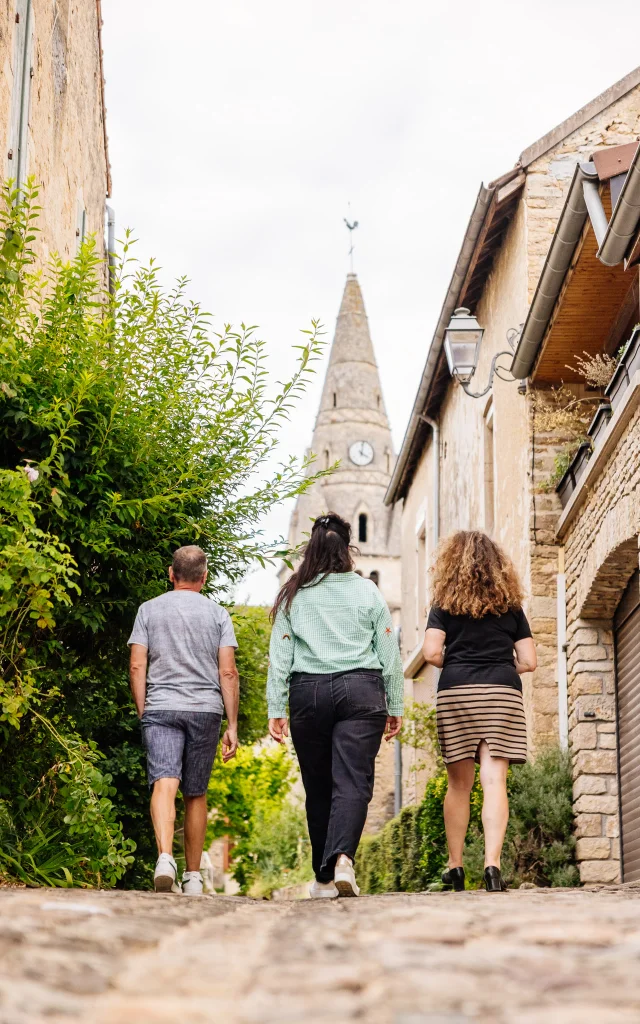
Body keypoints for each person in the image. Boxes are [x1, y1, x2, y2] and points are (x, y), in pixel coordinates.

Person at [267, 513, 404, 899]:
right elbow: (389, 653)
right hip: (361, 690)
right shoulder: (367, 592)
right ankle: (343, 859)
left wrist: (276, 708)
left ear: (310, 548)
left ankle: (323, 879)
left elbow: (280, 655)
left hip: (307, 694)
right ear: (348, 550)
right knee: (353, 780)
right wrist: (395, 704)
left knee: (318, 786)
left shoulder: (294, 593)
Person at [422, 531, 537, 893]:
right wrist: (500, 666)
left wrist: (457, 662)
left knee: (459, 784)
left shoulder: (443, 604)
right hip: (502, 692)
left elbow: (429, 653)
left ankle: (456, 867)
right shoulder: (511, 607)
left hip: (456, 691)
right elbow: (530, 661)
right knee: (494, 782)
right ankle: (492, 866)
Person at [128, 545, 239, 895]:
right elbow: (229, 672)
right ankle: (192, 877)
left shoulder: (148, 610)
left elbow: (136, 665)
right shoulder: (219, 614)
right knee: (195, 793)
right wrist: (232, 725)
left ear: (170, 573)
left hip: (160, 706)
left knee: (165, 781)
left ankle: (164, 858)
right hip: (206, 710)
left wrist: (144, 709)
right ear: (204, 578)